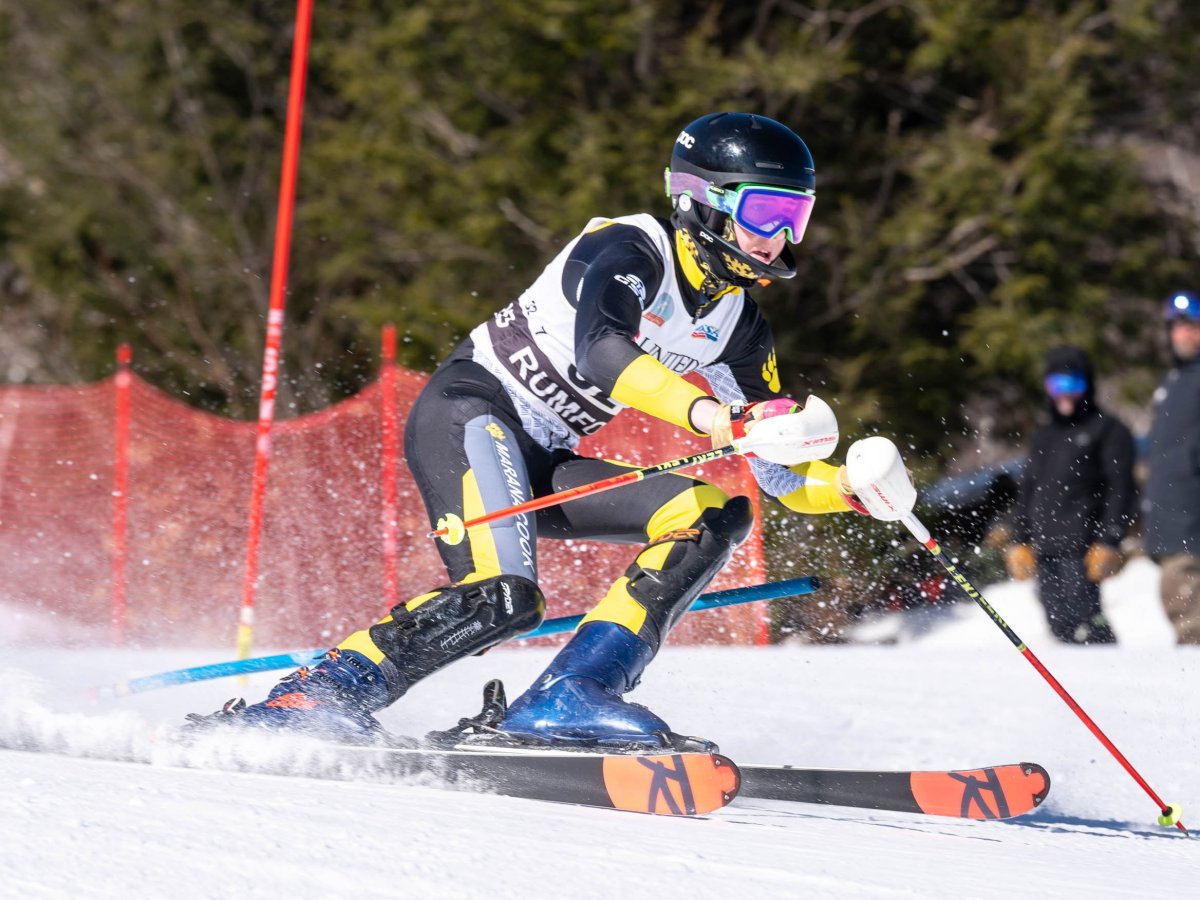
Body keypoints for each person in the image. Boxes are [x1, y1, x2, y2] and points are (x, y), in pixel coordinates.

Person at [192, 112, 882, 749]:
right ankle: (318, 695)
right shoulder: (631, 249)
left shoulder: (741, 326)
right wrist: (718, 419)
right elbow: (602, 353)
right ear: (705, 200)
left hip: (540, 455)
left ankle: (568, 694)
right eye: (767, 211)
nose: (783, 237)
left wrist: (850, 488)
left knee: (709, 514)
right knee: (503, 598)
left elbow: (781, 475)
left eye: (798, 216)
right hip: (469, 412)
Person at [1004, 345, 1136, 644]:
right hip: (1045, 545)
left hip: (1084, 549)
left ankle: (1111, 671)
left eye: (1073, 384)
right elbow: (1028, 490)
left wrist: (1109, 539)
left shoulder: (1108, 429)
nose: (1065, 394)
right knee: (1059, 626)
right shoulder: (1043, 434)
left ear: (1087, 385)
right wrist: (1018, 538)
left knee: (1088, 623)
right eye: (1056, 385)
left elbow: (1121, 488)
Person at [1143, 292, 1200, 644]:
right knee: (1180, 610)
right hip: (1171, 519)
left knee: (1192, 623)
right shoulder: (1174, 381)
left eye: (1191, 325)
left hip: (1192, 522)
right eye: (1175, 327)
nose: (1182, 333)